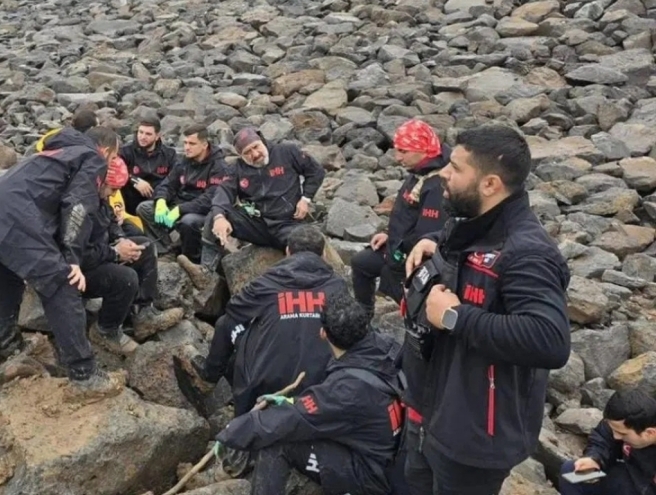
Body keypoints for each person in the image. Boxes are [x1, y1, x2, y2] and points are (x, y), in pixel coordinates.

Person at [400, 124, 571, 494]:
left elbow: (550, 340)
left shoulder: (526, 252)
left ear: (490, 184)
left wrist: (453, 316)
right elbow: (462, 255)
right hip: (429, 407)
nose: (443, 172)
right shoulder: (470, 221)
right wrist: (434, 245)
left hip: (474, 436)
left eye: (457, 168)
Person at [0, 126, 119, 395]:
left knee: (7, 281)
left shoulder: (53, 152)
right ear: (106, 150)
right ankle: (84, 374)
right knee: (62, 282)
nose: (108, 166)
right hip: (14, 220)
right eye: (112, 159)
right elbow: (77, 205)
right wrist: (72, 257)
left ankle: (8, 345)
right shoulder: (92, 158)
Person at [213, 291, 403, 495]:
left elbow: (291, 419)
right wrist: (289, 400)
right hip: (392, 456)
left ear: (323, 333)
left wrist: (231, 432)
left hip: (370, 476)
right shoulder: (386, 348)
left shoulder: (346, 390)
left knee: (279, 442)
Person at [174, 224, 348, 419]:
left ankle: (210, 375)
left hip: (268, 384)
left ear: (288, 252)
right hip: (324, 383)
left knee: (226, 323)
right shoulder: (336, 285)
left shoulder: (268, 282)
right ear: (323, 254)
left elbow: (234, 310)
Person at [177, 127, 325, 290]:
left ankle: (308, 284)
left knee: (308, 242)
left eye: (256, 147)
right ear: (240, 156)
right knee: (215, 214)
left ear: (262, 142)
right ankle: (206, 272)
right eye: (247, 152)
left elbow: (316, 171)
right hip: (258, 224)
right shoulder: (236, 169)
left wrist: (305, 198)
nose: (254, 154)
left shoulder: (287, 151)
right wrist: (220, 217)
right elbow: (223, 192)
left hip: (289, 222)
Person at [81, 156, 184, 354]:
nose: (113, 195)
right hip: (77, 270)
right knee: (126, 278)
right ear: (99, 181)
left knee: (143, 246)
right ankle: (105, 330)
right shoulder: (80, 207)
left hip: (97, 254)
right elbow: (78, 254)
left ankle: (143, 312)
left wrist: (120, 239)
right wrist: (115, 254)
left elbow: (110, 221)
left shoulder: (99, 198)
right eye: (112, 189)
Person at [350, 119, 449, 319]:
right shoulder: (418, 171)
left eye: (403, 151)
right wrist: (389, 234)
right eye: (397, 150)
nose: (397, 158)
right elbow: (406, 214)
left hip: (413, 260)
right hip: (396, 248)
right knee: (361, 263)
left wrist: (396, 255)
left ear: (422, 149)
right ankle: (363, 316)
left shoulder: (438, 184)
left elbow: (426, 235)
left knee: (413, 311)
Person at [136, 124, 226, 260]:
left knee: (188, 222)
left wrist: (179, 210)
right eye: (185, 143)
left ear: (204, 145)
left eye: (192, 143)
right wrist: (160, 201)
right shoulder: (184, 161)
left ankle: (191, 258)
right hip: (180, 204)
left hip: (203, 212)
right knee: (145, 208)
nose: (186, 147)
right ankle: (166, 250)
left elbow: (210, 199)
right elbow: (168, 184)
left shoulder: (218, 166)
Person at [559, 389, 656, 495]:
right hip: (626, 478)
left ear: (650, 433)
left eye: (622, 434)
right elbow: (603, 437)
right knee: (572, 471)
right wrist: (595, 458)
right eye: (614, 430)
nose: (616, 436)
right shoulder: (623, 422)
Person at [119, 116, 178, 218]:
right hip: (131, 198)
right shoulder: (125, 151)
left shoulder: (169, 154)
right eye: (140, 132)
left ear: (157, 136)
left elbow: (174, 178)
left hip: (158, 198)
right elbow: (116, 172)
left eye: (148, 134)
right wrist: (134, 180)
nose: (142, 137)